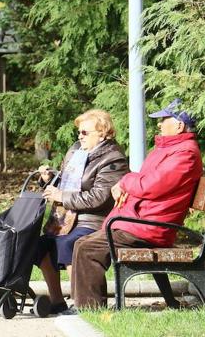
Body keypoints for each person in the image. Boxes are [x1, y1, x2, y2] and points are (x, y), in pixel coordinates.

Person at [71, 98, 203, 309]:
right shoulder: (169, 149)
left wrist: (124, 180)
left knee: (88, 249)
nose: (159, 124)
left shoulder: (184, 154)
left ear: (179, 125)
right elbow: (144, 182)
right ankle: (86, 307)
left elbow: (149, 185)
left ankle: (90, 310)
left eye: (164, 120)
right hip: (141, 221)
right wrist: (129, 182)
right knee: (81, 244)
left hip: (150, 227)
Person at [35, 109, 128, 314]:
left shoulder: (113, 160)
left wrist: (62, 197)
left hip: (94, 220)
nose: (80, 136)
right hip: (66, 218)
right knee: (40, 244)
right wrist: (49, 180)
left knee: (69, 243)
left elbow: (99, 197)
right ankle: (57, 301)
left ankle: (82, 303)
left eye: (85, 132)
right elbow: (66, 181)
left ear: (103, 133)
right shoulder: (77, 151)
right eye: (79, 132)